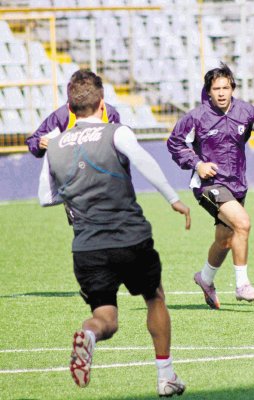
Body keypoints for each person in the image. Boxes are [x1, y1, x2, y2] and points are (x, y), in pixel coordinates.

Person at [38, 69, 189, 397]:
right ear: (102, 102)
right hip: (129, 238)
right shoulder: (116, 132)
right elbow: (144, 161)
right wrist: (173, 199)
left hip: (87, 247)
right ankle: (166, 376)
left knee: (105, 317)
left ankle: (89, 336)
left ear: (69, 106)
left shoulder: (56, 144)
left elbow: (46, 197)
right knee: (155, 297)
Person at [167, 63, 254, 310]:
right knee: (242, 223)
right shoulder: (196, 117)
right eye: (216, 89)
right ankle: (242, 285)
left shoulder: (245, 111)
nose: (222, 93)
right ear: (209, 91)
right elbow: (175, 143)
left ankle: (204, 278)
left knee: (225, 239)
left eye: (226, 87)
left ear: (232, 88)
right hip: (208, 184)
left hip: (236, 184)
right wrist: (197, 163)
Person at [26, 72, 120, 158]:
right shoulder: (62, 116)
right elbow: (33, 141)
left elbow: (119, 143)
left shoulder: (110, 113)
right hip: (71, 169)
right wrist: (39, 144)